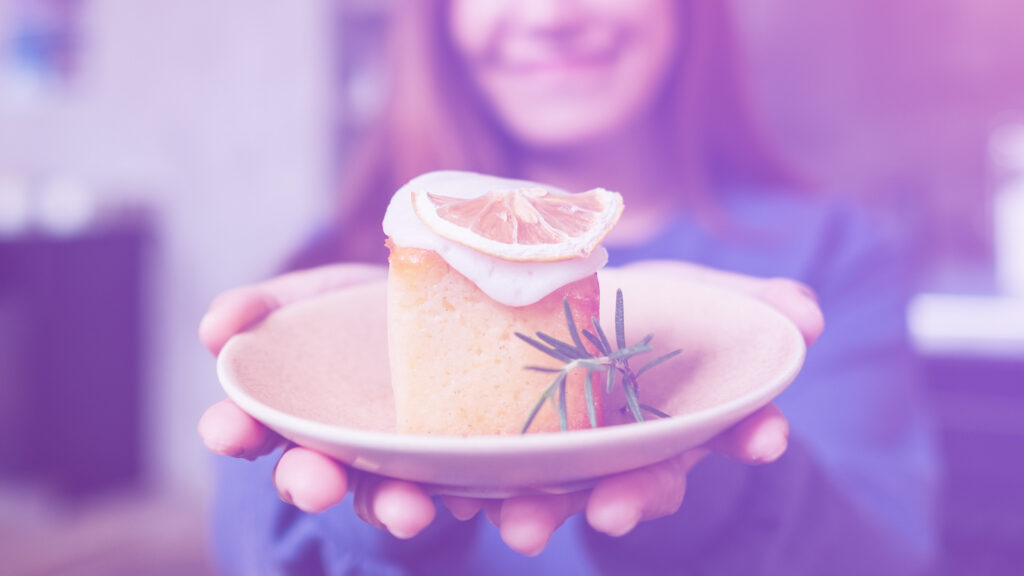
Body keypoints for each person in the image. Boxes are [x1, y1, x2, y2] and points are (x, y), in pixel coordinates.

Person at [198, 1, 939, 574]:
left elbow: (888, 557)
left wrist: (707, 471)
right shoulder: (328, 274)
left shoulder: (827, 257)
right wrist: (379, 493)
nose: (549, 15)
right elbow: (252, 549)